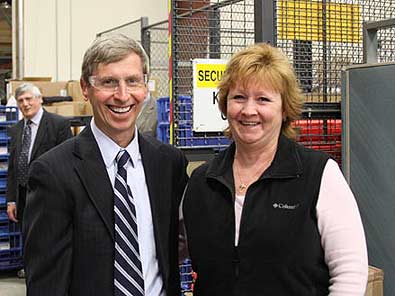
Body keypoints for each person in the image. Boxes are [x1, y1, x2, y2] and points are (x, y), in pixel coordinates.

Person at [182, 43, 368, 295]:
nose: (249, 110)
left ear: (284, 109)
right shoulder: (202, 182)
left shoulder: (318, 174)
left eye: (263, 99)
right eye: (239, 97)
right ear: (225, 105)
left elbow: (349, 273)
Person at [23, 34, 188, 296]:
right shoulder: (53, 173)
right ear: (85, 89)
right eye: (109, 82)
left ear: (145, 87)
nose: (122, 96)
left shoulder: (169, 164)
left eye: (132, 81)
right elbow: (46, 284)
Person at [6, 83, 73, 224]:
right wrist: (11, 200)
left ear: (40, 99)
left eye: (29, 99)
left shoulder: (58, 125)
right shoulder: (16, 129)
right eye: (21, 100)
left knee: (48, 241)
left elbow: (68, 164)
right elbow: (13, 167)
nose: (25, 104)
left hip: (50, 198)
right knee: (27, 240)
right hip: (23, 198)